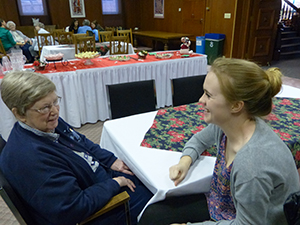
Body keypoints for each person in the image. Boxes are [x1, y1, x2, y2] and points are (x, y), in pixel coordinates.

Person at [138, 58, 300, 225]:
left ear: (236, 106)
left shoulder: (252, 164)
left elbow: (248, 223)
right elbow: (200, 139)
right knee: (152, 216)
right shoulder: (229, 126)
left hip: (250, 220)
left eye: (208, 95)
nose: (201, 100)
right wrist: (185, 162)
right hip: (224, 207)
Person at [0, 71, 153, 225]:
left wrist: (111, 160)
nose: (55, 111)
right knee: (160, 202)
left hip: (96, 180)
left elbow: (82, 141)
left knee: (146, 173)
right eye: (45, 107)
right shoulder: (30, 158)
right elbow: (72, 208)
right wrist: (115, 183)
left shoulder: (46, 124)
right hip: (100, 208)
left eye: (55, 102)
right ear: (20, 114)